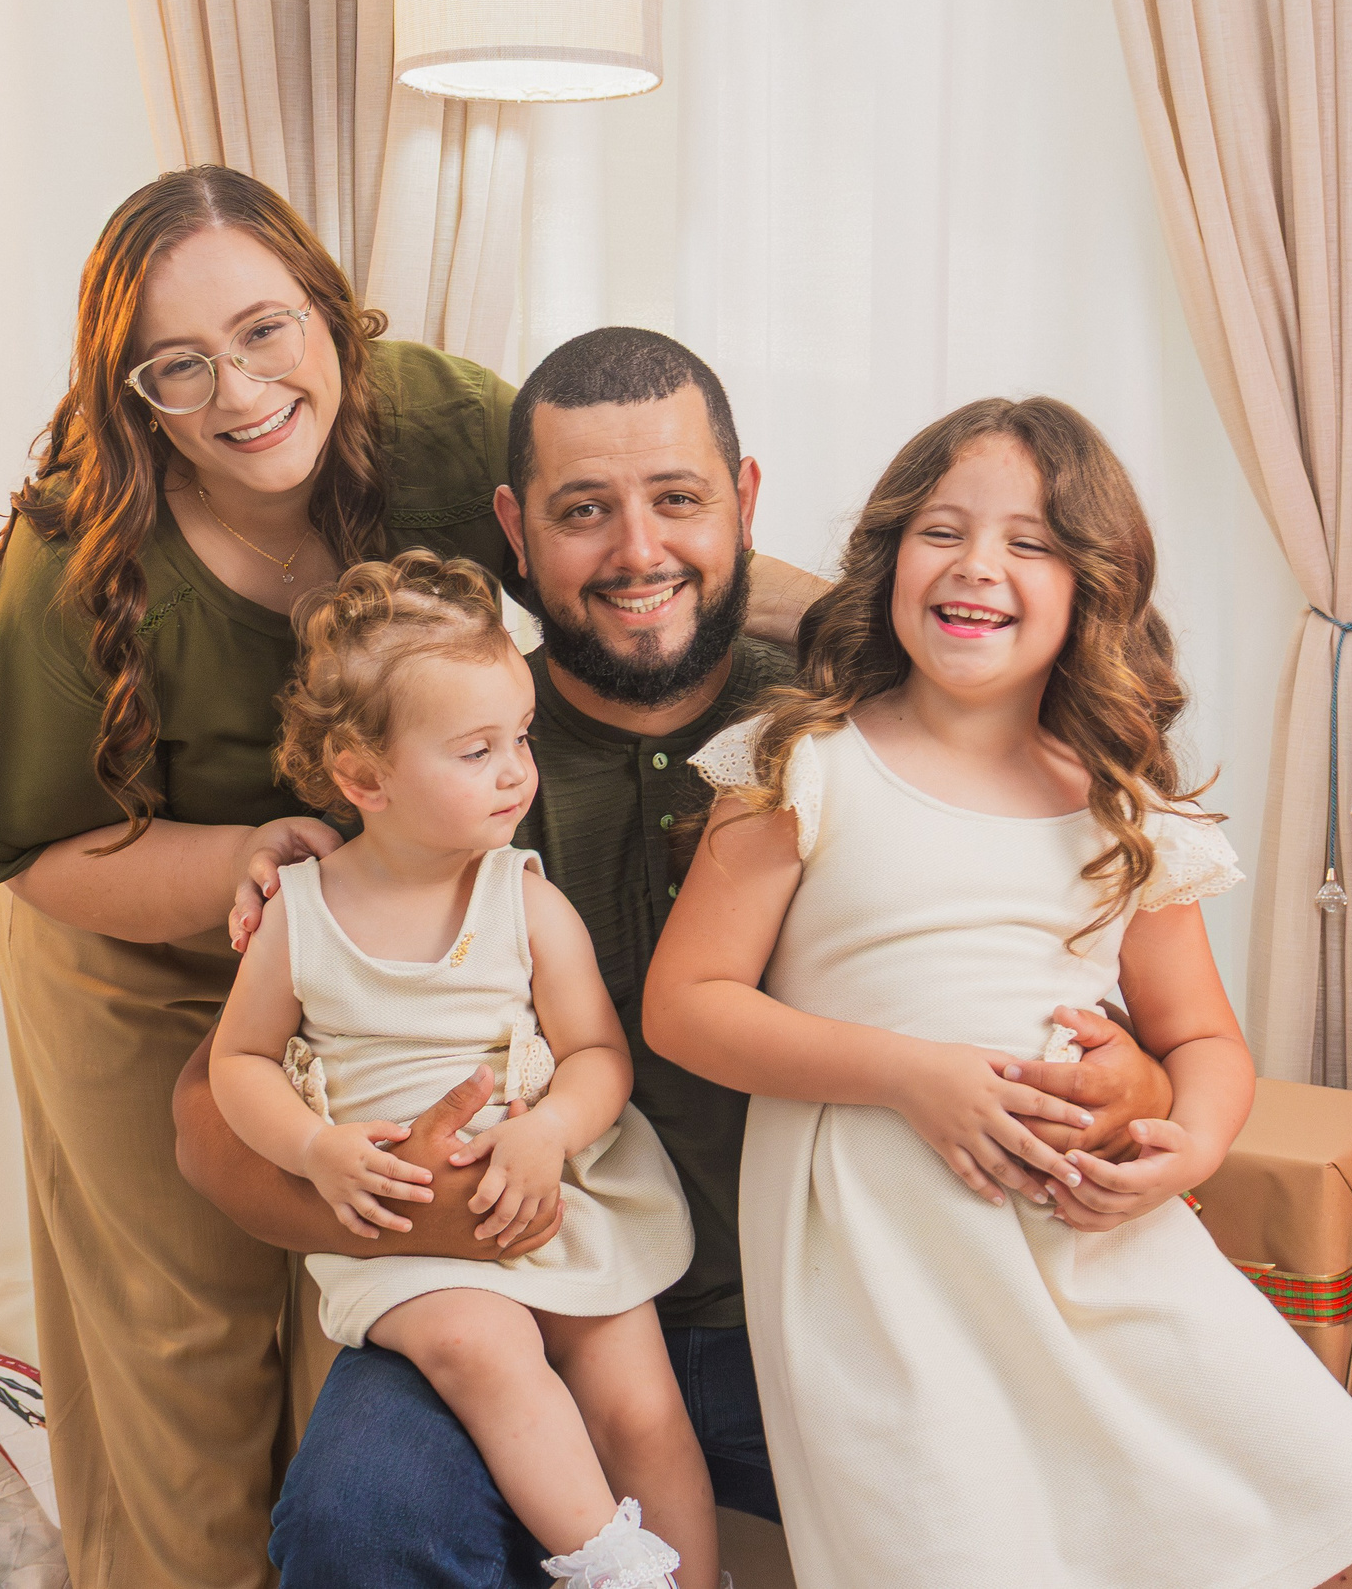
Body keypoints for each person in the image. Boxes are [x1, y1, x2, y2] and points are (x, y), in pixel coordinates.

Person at [170, 330, 1182, 1586]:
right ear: (515, 529)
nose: (638, 552)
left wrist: (1141, 1085)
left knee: (1081, 1485)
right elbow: (212, 1120)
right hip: (511, 1300)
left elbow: (1080, 977)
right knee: (358, 1521)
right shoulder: (441, 743)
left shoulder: (840, 737)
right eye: (583, 511)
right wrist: (418, 1213)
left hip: (829, 1312)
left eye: (679, 501)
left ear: (744, 502)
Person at [0, 169, 826, 1589]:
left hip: (410, 886)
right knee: (187, 1343)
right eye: (180, 364)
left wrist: (882, 619)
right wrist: (246, 867)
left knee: (355, 1350)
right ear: (133, 391)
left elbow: (626, 534)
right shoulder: (85, 548)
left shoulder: (432, 419)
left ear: (330, 313)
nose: (239, 391)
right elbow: (36, 849)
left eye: (267, 330)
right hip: (144, 912)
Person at [641, 395, 1352, 1589]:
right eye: (942, 531)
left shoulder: (1118, 802)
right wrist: (913, 1076)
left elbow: (1205, 1039)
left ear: (1091, 589)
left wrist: (1187, 1148)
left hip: (1092, 1241)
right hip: (887, 1265)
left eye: (1030, 543)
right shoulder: (805, 766)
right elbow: (687, 1004)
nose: (977, 568)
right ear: (889, 557)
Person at [211, 551, 713, 1589]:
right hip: (405, 1239)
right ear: (364, 778)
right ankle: (610, 1567)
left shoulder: (521, 898)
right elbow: (240, 1063)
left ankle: (694, 1583)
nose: (515, 771)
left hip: (548, 1193)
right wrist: (316, 1148)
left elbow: (595, 1057)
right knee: (482, 1349)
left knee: (640, 1399)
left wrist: (546, 1132)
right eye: (478, 749)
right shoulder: (299, 916)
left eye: (518, 738)